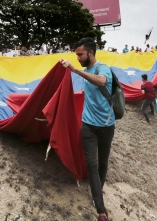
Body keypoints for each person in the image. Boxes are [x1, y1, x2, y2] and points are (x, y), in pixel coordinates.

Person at [60, 38, 114, 221]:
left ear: (90, 53)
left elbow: (101, 81)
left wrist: (75, 71)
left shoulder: (102, 68)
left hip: (106, 126)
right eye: (76, 55)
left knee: (103, 163)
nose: (78, 58)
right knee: (91, 164)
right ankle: (100, 209)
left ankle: (97, 190)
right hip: (88, 125)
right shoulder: (85, 69)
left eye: (80, 54)